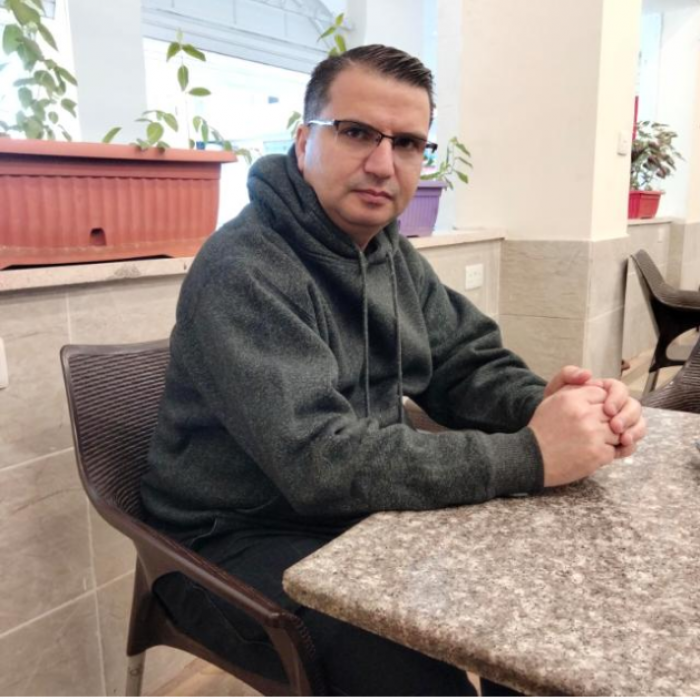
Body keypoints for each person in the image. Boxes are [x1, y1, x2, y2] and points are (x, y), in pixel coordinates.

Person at [142, 44, 646, 696]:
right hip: (229, 541)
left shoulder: (386, 251)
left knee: (532, 623)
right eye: (356, 133)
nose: (383, 164)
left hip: (354, 515)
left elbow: (463, 364)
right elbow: (320, 462)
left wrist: (547, 405)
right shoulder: (244, 270)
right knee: (423, 674)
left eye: (407, 143)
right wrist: (532, 455)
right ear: (304, 141)